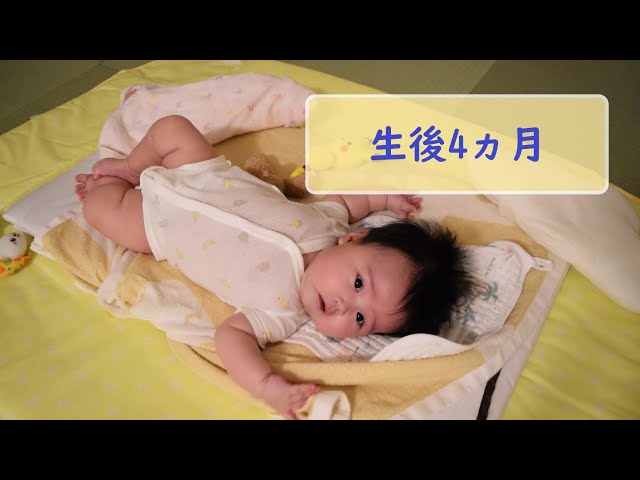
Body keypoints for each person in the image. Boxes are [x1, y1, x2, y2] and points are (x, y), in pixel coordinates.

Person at [75, 115, 472, 419]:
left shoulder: (282, 312)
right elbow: (353, 200)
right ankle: (132, 167)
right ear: (353, 240)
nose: (344, 306)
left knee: (98, 208)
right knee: (172, 128)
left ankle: (109, 187)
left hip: (157, 226)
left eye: (360, 319)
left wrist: (266, 385)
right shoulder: (330, 224)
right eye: (357, 284)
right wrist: (386, 199)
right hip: (204, 173)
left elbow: (232, 336)